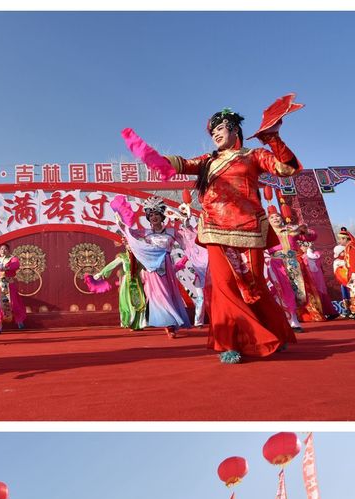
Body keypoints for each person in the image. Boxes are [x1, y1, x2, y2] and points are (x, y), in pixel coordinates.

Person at [164, 108, 298, 361]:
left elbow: (287, 169)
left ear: (234, 129)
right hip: (215, 227)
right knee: (225, 285)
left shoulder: (253, 155)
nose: (215, 133)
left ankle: (272, 332)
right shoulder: (208, 161)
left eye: (219, 128)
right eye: (212, 131)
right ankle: (229, 344)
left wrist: (273, 138)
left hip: (250, 227)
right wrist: (157, 159)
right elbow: (182, 163)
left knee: (254, 285)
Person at [118, 198, 192, 337]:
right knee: (159, 295)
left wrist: (186, 221)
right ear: (148, 218)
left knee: (168, 294)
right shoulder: (144, 233)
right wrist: (122, 223)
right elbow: (128, 234)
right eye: (151, 215)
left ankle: (171, 322)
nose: (154, 217)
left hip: (167, 267)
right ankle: (169, 324)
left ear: (162, 216)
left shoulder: (171, 231)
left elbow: (187, 241)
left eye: (157, 214)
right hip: (151, 269)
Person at [88, 237, 147, 330]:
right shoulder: (123, 257)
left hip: (136, 281)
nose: (130, 246)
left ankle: (138, 324)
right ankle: (129, 322)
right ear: (126, 245)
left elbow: (148, 267)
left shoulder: (140, 257)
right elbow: (112, 265)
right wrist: (101, 273)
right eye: (128, 244)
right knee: (127, 302)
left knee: (138, 302)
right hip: (127, 282)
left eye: (132, 244)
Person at [0, 243, 26, 334]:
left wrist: (5, 267)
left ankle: (19, 320)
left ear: (8, 250)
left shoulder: (13, 259)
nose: (3, 251)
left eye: (5, 249)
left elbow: (16, 266)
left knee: (14, 303)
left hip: (9, 285)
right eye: (1, 249)